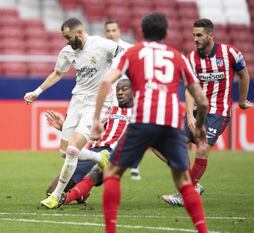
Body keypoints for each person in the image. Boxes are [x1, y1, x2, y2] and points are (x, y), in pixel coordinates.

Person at [92, 13, 210, 233]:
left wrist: (97, 118)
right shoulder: (178, 57)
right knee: (185, 182)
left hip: (143, 119)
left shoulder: (133, 52)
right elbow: (201, 101)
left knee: (112, 173)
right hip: (172, 123)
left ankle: (110, 230)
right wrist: (200, 127)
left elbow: (107, 80)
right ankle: (203, 230)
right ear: (165, 33)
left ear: (142, 32)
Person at [24, 18, 124, 209]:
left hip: (97, 102)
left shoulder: (102, 45)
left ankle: (56, 196)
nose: (66, 41)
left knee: (72, 149)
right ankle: (100, 157)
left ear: (79, 33)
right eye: (64, 37)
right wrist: (37, 92)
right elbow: (57, 73)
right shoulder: (68, 51)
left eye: (68, 37)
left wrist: (115, 71)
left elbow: (124, 53)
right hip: (78, 99)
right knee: (63, 151)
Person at [161, 18, 252, 206]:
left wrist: (242, 101)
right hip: (196, 111)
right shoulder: (191, 59)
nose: (195, 39)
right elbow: (188, 87)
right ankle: (192, 183)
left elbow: (244, 74)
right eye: (193, 35)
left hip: (218, 112)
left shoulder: (230, 53)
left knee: (202, 149)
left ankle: (185, 195)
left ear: (211, 35)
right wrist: (188, 115)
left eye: (199, 35)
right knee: (161, 143)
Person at [46, 78, 133, 206]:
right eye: (118, 89)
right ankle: (81, 194)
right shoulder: (107, 110)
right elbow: (89, 134)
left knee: (97, 171)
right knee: (50, 192)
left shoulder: (140, 113)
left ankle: (68, 198)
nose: (120, 92)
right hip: (93, 152)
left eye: (124, 89)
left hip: (115, 153)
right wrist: (64, 128)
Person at [104, 20, 141, 180]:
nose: (111, 33)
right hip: (108, 96)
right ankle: (105, 160)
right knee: (107, 130)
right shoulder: (103, 49)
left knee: (132, 129)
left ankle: (135, 165)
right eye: (108, 31)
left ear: (119, 31)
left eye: (114, 30)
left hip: (125, 97)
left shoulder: (129, 49)